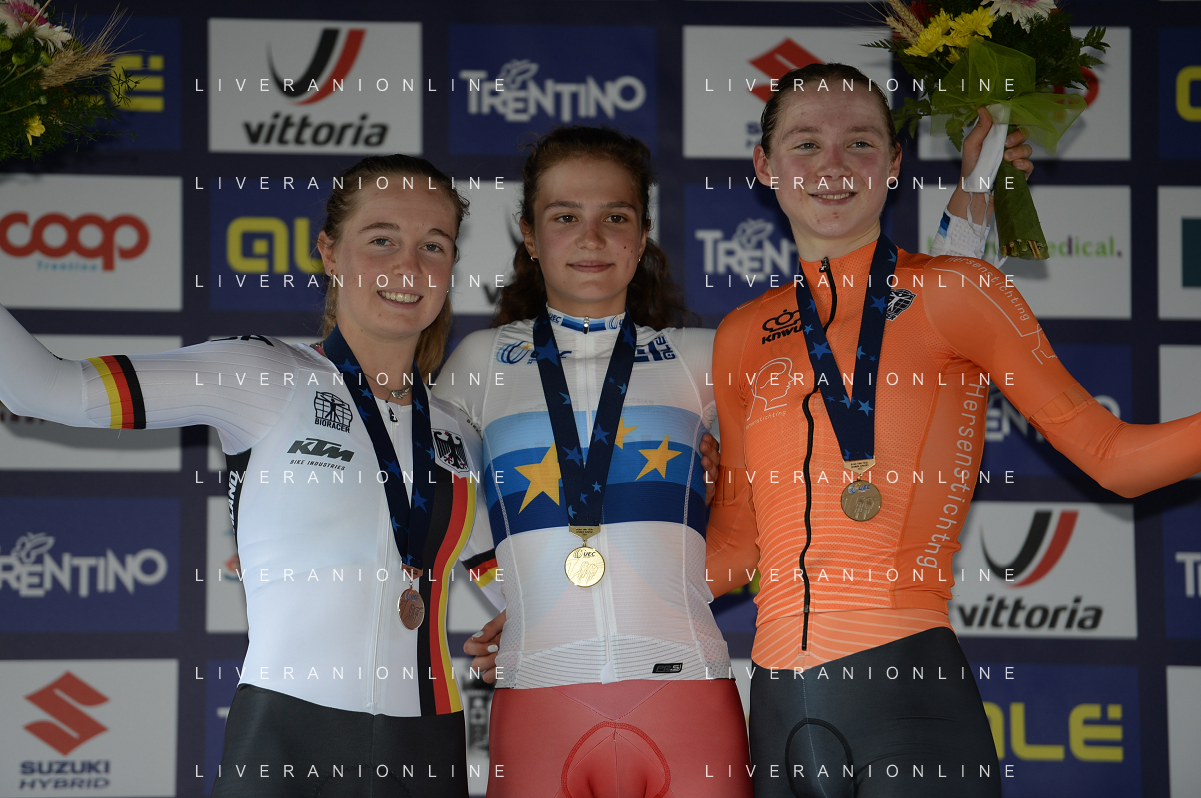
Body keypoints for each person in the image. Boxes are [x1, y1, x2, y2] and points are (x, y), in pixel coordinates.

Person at [437, 117, 1026, 797]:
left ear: (643, 235)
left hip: (686, 694)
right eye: (564, 216)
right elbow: (430, 498)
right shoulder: (480, 364)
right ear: (529, 234)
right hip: (537, 698)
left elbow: (894, 332)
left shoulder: (706, 355)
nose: (591, 238)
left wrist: (976, 190)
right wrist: (517, 591)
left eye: (615, 216)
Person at [705, 62, 1201, 798]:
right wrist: (579, 583)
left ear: (894, 163)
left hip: (909, 701)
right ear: (764, 165)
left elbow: (1113, 458)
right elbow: (736, 545)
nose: (833, 166)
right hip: (774, 712)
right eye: (805, 144)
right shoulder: (742, 334)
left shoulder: (955, 291)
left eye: (860, 143)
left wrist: (977, 187)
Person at [0, 155, 503, 798]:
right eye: (382, 240)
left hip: (429, 748)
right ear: (329, 252)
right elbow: (45, 388)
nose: (408, 268)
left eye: (433, 246)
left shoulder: (458, 433)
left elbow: (521, 595)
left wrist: (527, 632)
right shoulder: (261, 375)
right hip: (286, 738)